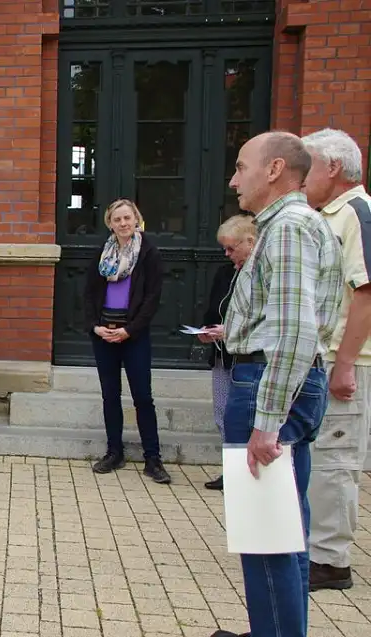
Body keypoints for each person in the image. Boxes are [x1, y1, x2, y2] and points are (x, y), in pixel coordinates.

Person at [212, 131, 343, 637]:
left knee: (267, 536)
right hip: (284, 381)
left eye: (241, 166)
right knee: (286, 529)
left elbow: (295, 329)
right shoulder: (294, 225)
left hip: (267, 384)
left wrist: (266, 422)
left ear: (274, 170)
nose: (233, 178)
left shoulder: (287, 227)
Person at [302, 128, 371, 592]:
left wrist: (343, 363)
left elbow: (365, 291)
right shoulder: (328, 214)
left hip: (344, 361)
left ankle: (331, 560)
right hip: (324, 357)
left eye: (307, 166)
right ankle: (315, 547)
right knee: (320, 456)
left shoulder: (356, 213)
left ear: (333, 167)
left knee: (334, 459)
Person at [84, 199, 170, 484]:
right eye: (117, 219)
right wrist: (95, 327)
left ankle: (153, 458)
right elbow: (87, 296)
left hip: (134, 336)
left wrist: (130, 329)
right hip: (104, 335)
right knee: (110, 396)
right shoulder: (102, 253)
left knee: (142, 397)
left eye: (127, 218)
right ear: (110, 223)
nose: (123, 224)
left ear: (137, 220)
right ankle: (114, 451)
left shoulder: (149, 253)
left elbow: (152, 299)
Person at [197, 214, 257, 490]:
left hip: (248, 359)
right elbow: (214, 309)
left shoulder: (260, 273)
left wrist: (230, 331)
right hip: (222, 355)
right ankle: (231, 470)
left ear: (251, 242)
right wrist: (206, 330)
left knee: (243, 416)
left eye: (232, 248)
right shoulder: (225, 272)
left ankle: (249, 473)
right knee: (222, 413)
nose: (227, 253)